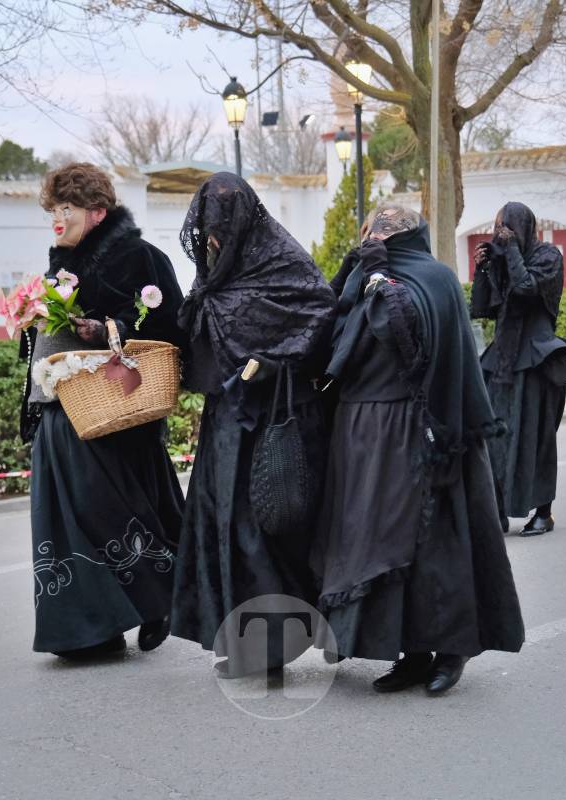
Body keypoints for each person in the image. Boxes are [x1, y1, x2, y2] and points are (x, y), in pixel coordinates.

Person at [311, 204, 524, 695]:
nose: (373, 237)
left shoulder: (434, 279)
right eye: (370, 231)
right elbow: (332, 343)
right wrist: (353, 275)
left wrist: (382, 281)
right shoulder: (363, 275)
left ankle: (451, 651)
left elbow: (413, 344)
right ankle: (408, 653)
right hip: (362, 431)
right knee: (375, 544)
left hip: (420, 430)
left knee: (431, 548)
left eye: (382, 232)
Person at [170, 173, 336, 678]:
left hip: (271, 420)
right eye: (208, 229)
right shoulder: (217, 270)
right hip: (226, 420)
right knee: (223, 527)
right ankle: (241, 642)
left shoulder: (282, 261)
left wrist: (272, 360)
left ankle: (268, 648)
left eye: (221, 226)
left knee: (261, 532)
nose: (214, 238)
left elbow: (320, 312)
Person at [18, 162, 186, 659]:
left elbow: (172, 326)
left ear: (96, 212)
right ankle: (91, 629)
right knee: (69, 522)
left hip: (117, 414)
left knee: (115, 515)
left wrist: (107, 329)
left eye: (64, 209)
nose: (56, 218)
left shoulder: (140, 257)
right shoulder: (59, 263)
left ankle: (157, 603)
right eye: (53, 209)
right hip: (62, 411)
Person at [470, 201, 566, 536]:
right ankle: (499, 509)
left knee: (536, 438)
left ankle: (543, 513)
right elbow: (482, 308)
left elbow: (526, 289)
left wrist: (512, 252)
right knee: (495, 440)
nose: (500, 234)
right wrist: (484, 269)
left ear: (521, 226)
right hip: (503, 359)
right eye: (497, 227)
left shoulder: (549, 256)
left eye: (505, 227)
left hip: (536, 359)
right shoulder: (506, 258)